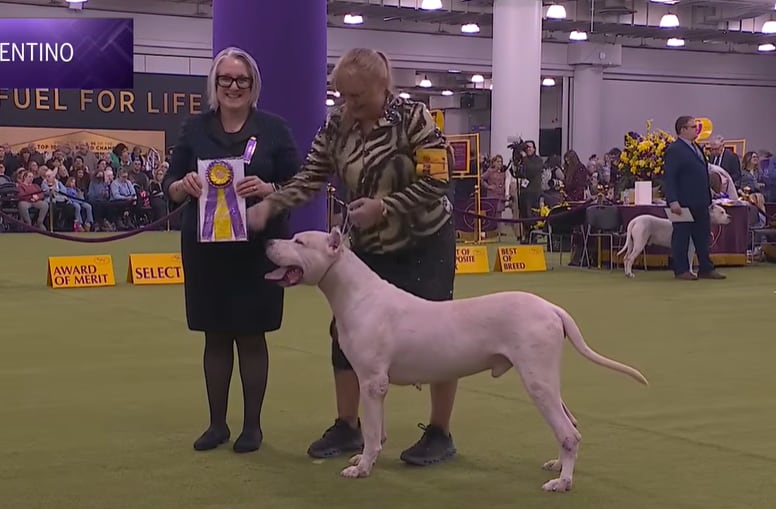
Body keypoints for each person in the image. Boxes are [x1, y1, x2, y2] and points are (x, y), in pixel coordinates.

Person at [246, 48, 459, 467]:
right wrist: (274, 203)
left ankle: (439, 432)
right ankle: (347, 425)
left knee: (442, 336)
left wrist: (386, 206)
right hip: (366, 250)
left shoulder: (415, 118)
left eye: (357, 97)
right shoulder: (337, 124)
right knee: (345, 334)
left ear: (383, 87)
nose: (348, 104)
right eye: (341, 95)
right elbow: (311, 175)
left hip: (424, 241)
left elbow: (439, 180)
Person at [162, 46, 301, 453]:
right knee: (215, 335)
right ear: (215, 83)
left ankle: (252, 428)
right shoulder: (195, 127)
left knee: (252, 336)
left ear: (253, 85)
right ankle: (217, 424)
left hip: (259, 247)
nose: (234, 87)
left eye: (242, 80)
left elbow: (300, 183)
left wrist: (270, 188)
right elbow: (170, 181)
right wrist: (179, 186)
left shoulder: (275, 129)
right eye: (226, 79)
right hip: (206, 248)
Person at [662, 116, 726, 281]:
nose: (696, 130)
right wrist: (673, 201)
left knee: (702, 237)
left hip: (701, 201)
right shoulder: (674, 150)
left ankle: (706, 268)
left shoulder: (696, 147)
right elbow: (670, 177)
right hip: (682, 202)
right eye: (693, 127)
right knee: (681, 237)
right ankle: (681, 269)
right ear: (682, 130)